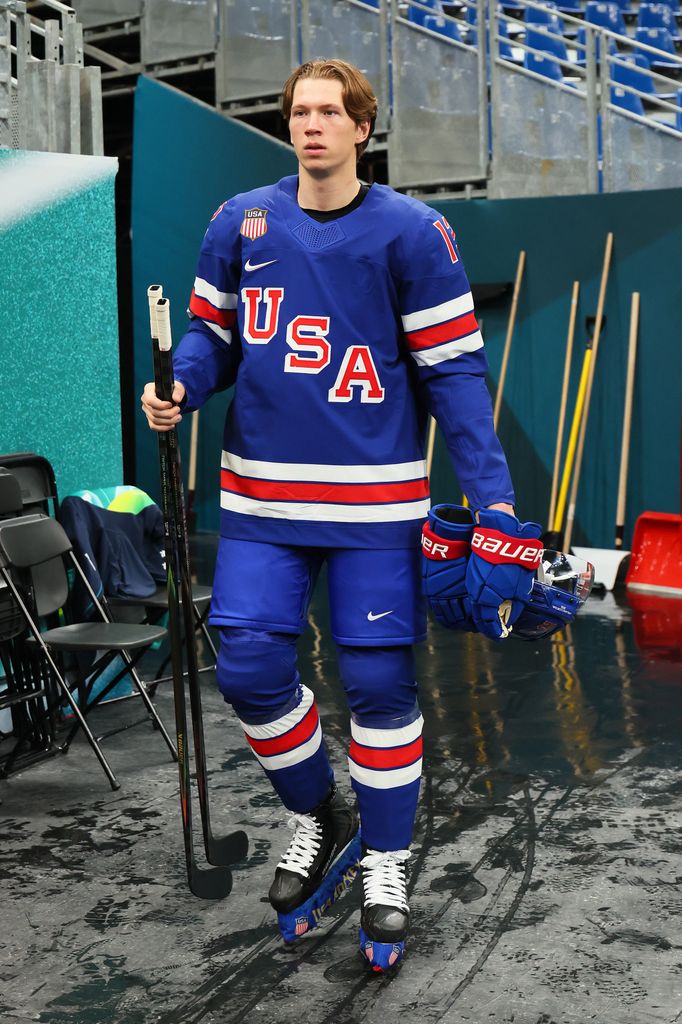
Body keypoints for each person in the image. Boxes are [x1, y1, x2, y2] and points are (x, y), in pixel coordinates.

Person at [141, 58, 538, 971]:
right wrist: (182, 386)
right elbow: (210, 336)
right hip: (262, 499)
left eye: (330, 111)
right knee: (247, 668)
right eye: (299, 111)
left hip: (375, 506)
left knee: (380, 688)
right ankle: (319, 809)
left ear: (363, 127)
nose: (311, 124)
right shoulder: (238, 220)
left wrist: (496, 503)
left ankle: (387, 861)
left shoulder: (415, 232)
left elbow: (455, 377)